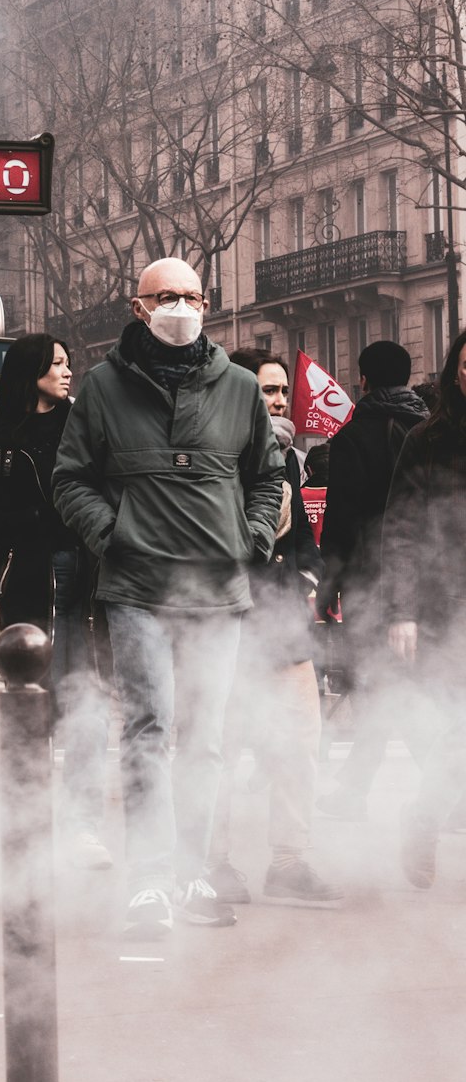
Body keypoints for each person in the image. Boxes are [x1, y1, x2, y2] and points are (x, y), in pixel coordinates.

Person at [53, 257, 284, 939]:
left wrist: (253, 538)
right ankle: (150, 878)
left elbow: (269, 476)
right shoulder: (100, 388)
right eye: (165, 297)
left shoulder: (240, 387)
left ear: (207, 302)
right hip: (138, 587)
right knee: (149, 731)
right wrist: (114, 535)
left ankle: (191, 871)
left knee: (206, 741)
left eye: (188, 295)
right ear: (137, 306)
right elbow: (71, 481)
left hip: (218, 588)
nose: (178, 306)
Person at [0, 334, 112, 870]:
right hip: (29, 576)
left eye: (69, 363)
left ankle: (81, 826)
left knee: (84, 703)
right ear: (30, 372)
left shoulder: (83, 424)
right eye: (56, 364)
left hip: (84, 577)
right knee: (32, 701)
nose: (67, 371)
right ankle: (28, 829)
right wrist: (31, 527)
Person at [208, 350, 341, 908]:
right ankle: (211, 863)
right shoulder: (218, 451)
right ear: (241, 394)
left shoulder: (287, 455)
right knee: (221, 744)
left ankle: (288, 862)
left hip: (284, 622)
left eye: (283, 389)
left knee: (299, 743)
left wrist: (310, 575)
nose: (280, 399)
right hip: (230, 619)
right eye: (267, 391)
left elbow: (304, 539)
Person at [315, 341, 430, 820]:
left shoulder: (351, 438)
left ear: (361, 379)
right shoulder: (430, 429)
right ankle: (360, 789)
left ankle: (364, 789)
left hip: (367, 580)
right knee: (406, 685)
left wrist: (328, 588)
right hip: (425, 580)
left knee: (379, 686)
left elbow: (340, 523)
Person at [382, 329, 466, 888]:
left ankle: (426, 818)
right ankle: (425, 820)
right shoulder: (426, 439)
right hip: (445, 603)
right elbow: (402, 529)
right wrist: (402, 609)